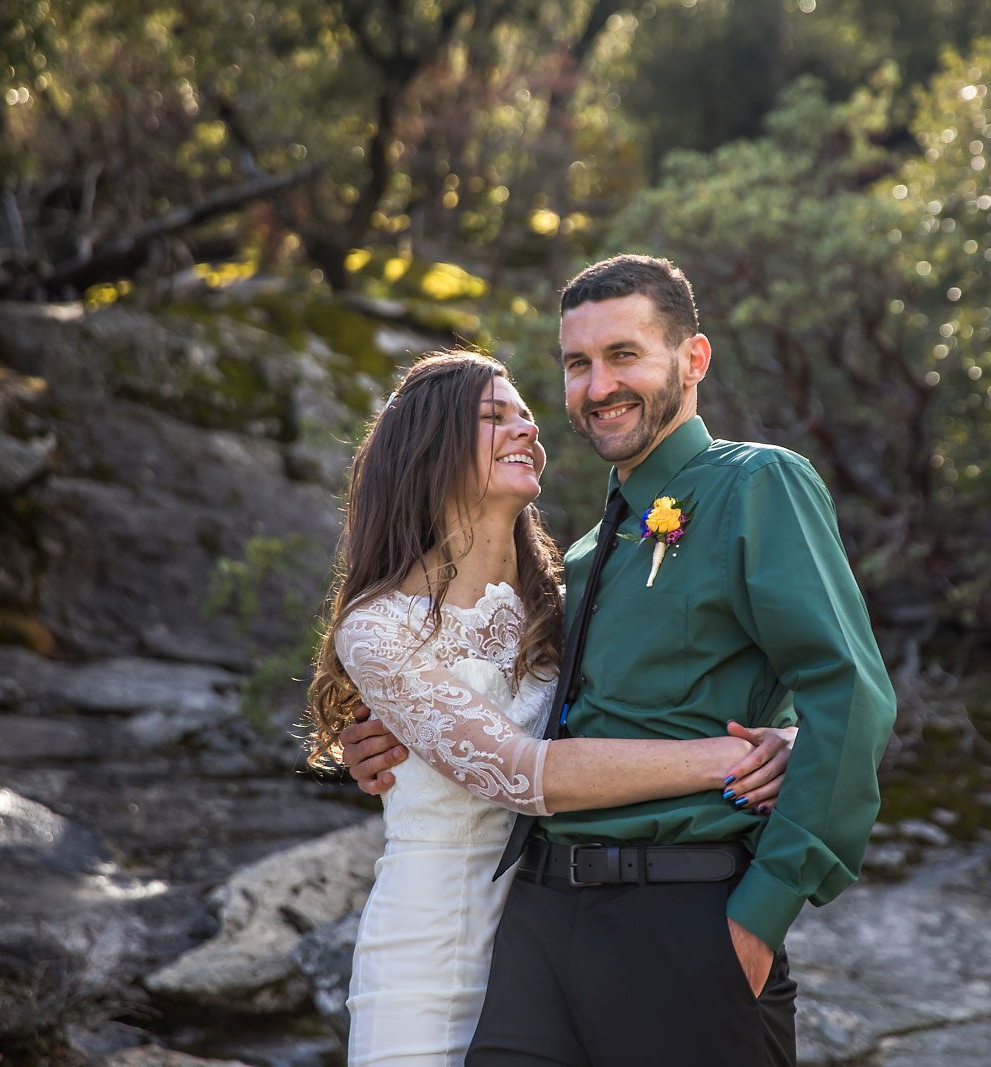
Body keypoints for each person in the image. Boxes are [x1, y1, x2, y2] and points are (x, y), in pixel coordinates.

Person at [341, 255, 898, 1067]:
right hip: (534, 923)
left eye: (624, 355)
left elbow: (849, 691)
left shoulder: (758, 483)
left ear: (693, 359)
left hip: (682, 916)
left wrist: (763, 911)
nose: (599, 385)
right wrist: (385, 738)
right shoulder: (582, 553)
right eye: (577, 364)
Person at [303, 350, 797, 1067]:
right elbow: (517, 772)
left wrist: (789, 732)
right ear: (428, 448)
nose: (526, 432)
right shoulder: (379, 628)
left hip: (556, 941)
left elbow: (674, 695)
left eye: (528, 419)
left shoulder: (560, 609)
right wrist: (734, 759)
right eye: (494, 417)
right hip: (431, 951)